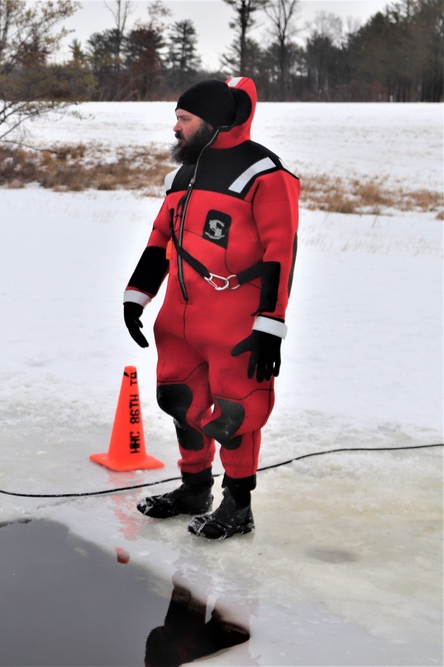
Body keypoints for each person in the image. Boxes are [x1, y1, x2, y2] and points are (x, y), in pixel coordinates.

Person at [123, 77, 299, 540]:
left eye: (184, 119)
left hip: (236, 324)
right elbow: (161, 239)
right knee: (179, 400)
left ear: (215, 122)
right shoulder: (183, 176)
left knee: (235, 414)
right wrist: (136, 295)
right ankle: (194, 489)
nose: (175, 128)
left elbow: (282, 251)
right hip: (179, 321)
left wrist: (270, 324)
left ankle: (237, 507)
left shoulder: (265, 174)